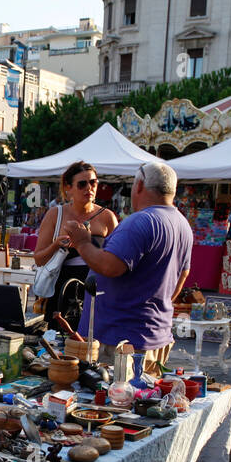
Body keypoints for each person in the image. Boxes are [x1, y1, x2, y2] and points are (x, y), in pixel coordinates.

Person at [69, 160, 192, 375]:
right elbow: (181, 279)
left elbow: (110, 266)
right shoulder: (182, 224)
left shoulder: (141, 221)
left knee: (115, 402)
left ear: (140, 186)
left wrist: (82, 242)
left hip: (121, 341)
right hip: (151, 335)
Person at [33, 161, 118, 323]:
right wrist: (56, 245)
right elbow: (38, 258)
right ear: (68, 188)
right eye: (82, 184)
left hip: (96, 289)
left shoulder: (107, 217)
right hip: (62, 289)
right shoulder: (55, 215)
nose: (89, 188)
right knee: (59, 340)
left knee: (92, 342)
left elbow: (116, 258)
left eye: (93, 182)